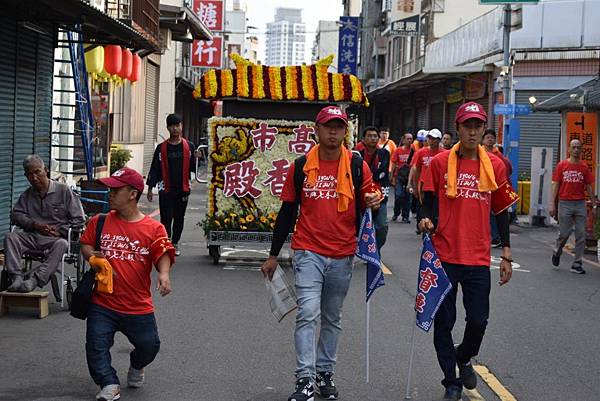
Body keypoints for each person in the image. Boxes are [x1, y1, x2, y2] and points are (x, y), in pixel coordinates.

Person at [261, 105, 381, 401]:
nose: (333, 132)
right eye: (328, 126)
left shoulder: (356, 165)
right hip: (308, 251)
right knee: (308, 313)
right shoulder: (301, 166)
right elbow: (288, 211)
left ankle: (324, 373)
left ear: (345, 131)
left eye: (339, 127)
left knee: (332, 317)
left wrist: (373, 200)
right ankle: (304, 379)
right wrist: (273, 254)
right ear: (317, 130)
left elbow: (369, 198)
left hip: (342, 253)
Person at [419, 101, 515, 401]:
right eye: (467, 126)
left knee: (478, 321)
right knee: (443, 322)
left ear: (484, 129)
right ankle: (451, 381)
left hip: (477, 257)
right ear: (458, 129)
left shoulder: (495, 165)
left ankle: (463, 356)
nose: (473, 132)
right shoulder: (439, 162)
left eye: (478, 126)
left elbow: (501, 210)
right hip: (444, 255)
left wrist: (507, 253)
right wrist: (425, 218)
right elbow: (428, 199)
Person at [81, 167, 175, 401]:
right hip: (102, 302)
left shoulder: (153, 228)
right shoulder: (99, 222)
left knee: (149, 346)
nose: (110, 193)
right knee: (95, 345)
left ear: (132, 194)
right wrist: (92, 257)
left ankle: (136, 365)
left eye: (115, 189)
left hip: (137, 305)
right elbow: (85, 244)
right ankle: (108, 383)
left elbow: (162, 252)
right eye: (110, 189)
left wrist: (164, 274)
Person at [4, 155, 85, 292]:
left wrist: (61, 231)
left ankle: (35, 280)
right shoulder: (27, 195)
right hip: (33, 236)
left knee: (62, 244)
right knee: (10, 237)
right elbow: (15, 215)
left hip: (55, 239)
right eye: (30, 175)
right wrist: (34, 224)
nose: (34, 178)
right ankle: (16, 277)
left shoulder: (64, 191)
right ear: (26, 176)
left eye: (37, 172)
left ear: (46, 170)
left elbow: (79, 219)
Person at [146, 113, 196, 256]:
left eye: (177, 125)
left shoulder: (189, 146)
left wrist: (198, 158)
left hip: (183, 188)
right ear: (168, 128)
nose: (175, 128)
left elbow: (194, 167)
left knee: (179, 217)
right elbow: (154, 167)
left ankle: (175, 242)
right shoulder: (161, 148)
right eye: (172, 126)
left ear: (181, 126)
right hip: (165, 188)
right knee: (166, 217)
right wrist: (150, 188)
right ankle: (166, 243)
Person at [549, 139, 594, 274]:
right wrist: (552, 203)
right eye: (573, 147)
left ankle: (577, 262)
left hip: (580, 203)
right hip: (565, 203)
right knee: (564, 233)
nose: (576, 150)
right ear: (569, 149)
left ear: (581, 150)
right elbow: (556, 185)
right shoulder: (562, 165)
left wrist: (594, 204)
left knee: (581, 234)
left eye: (578, 147)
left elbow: (589, 186)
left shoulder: (584, 167)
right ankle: (557, 251)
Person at [357, 126, 390, 250]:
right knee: (360, 225)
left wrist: (368, 175)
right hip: (361, 195)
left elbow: (382, 173)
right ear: (364, 139)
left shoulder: (384, 153)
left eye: (375, 136)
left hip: (379, 194)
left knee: (381, 226)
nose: (373, 138)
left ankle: (375, 249)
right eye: (369, 136)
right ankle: (364, 249)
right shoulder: (357, 153)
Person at [408, 129, 445, 233]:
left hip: (439, 187)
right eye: (430, 138)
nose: (432, 141)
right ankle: (424, 228)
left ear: (439, 140)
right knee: (423, 207)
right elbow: (416, 169)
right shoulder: (421, 152)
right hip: (424, 185)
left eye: (435, 139)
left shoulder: (444, 153)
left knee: (437, 210)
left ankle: (435, 229)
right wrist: (415, 186)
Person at [482, 129, 502, 247]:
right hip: (483, 186)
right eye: (487, 137)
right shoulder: (478, 153)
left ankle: (495, 237)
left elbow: (506, 168)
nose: (490, 140)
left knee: (494, 212)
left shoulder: (498, 154)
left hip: (496, 187)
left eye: (492, 137)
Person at [390, 133, 415, 223]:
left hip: (409, 177)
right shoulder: (398, 150)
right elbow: (393, 163)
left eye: (411, 139)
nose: (410, 140)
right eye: (408, 139)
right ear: (403, 140)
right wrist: (391, 176)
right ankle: (396, 213)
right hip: (399, 176)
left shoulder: (414, 151)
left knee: (408, 197)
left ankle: (406, 216)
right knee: (399, 195)